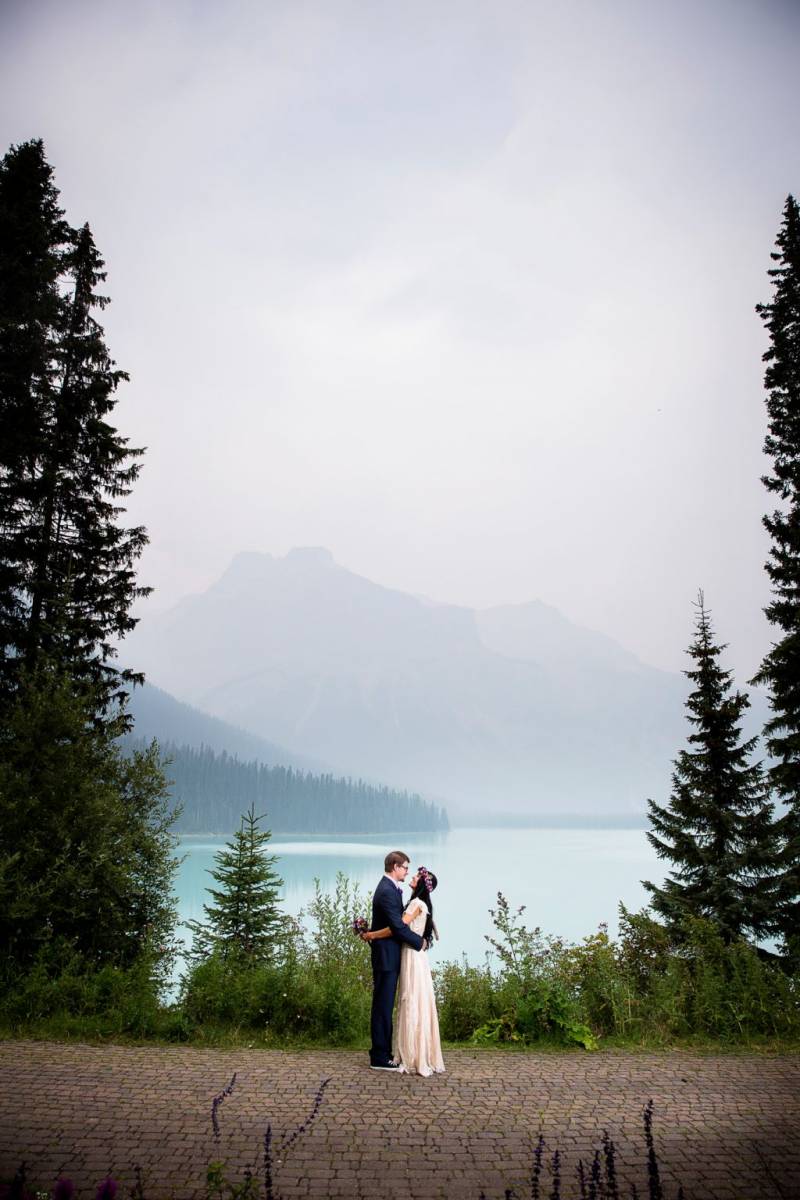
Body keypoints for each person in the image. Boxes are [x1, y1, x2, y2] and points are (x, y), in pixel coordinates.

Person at [363, 864, 445, 1077]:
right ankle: (399, 1053)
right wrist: (423, 941)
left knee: (411, 1001)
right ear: (395, 867)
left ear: (422, 884)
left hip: (411, 956)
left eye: (416, 874)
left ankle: (409, 1053)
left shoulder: (416, 903)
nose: (411, 874)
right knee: (409, 1001)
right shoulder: (414, 901)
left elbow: (397, 928)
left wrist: (371, 935)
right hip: (405, 956)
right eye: (408, 869)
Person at [366, 850, 425, 1071]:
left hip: (389, 955)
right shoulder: (387, 891)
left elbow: (398, 921)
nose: (407, 872)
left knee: (385, 1004)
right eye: (405, 868)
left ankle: (383, 1053)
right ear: (394, 866)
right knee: (382, 1005)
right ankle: (379, 1057)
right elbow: (398, 927)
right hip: (386, 957)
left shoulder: (390, 889)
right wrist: (419, 943)